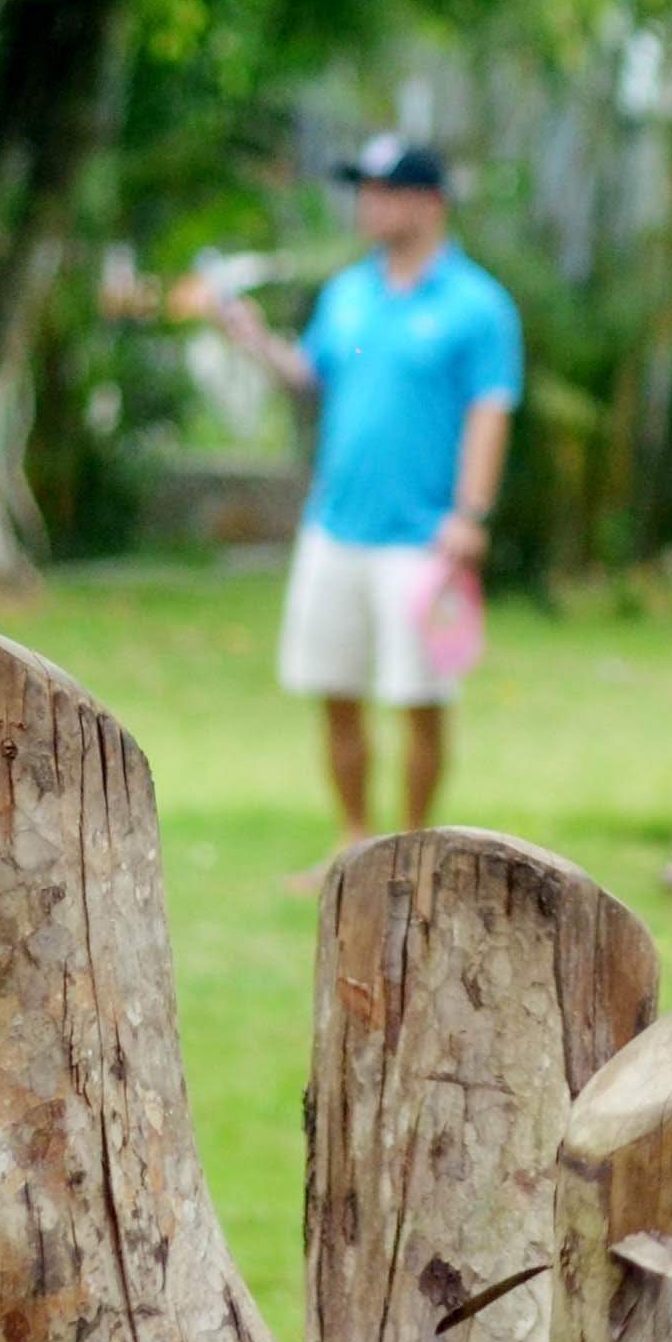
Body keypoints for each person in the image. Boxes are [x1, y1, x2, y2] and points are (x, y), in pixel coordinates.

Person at [212, 135, 522, 865]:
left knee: (420, 701)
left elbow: (490, 409)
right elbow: (309, 377)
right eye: (365, 190)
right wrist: (253, 340)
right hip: (335, 529)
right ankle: (352, 844)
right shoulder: (348, 293)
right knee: (336, 690)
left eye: (384, 191)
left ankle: (410, 853)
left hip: (422, 539)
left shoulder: (477, 306)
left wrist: (471, 515)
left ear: (431, 202)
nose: (368, 204)